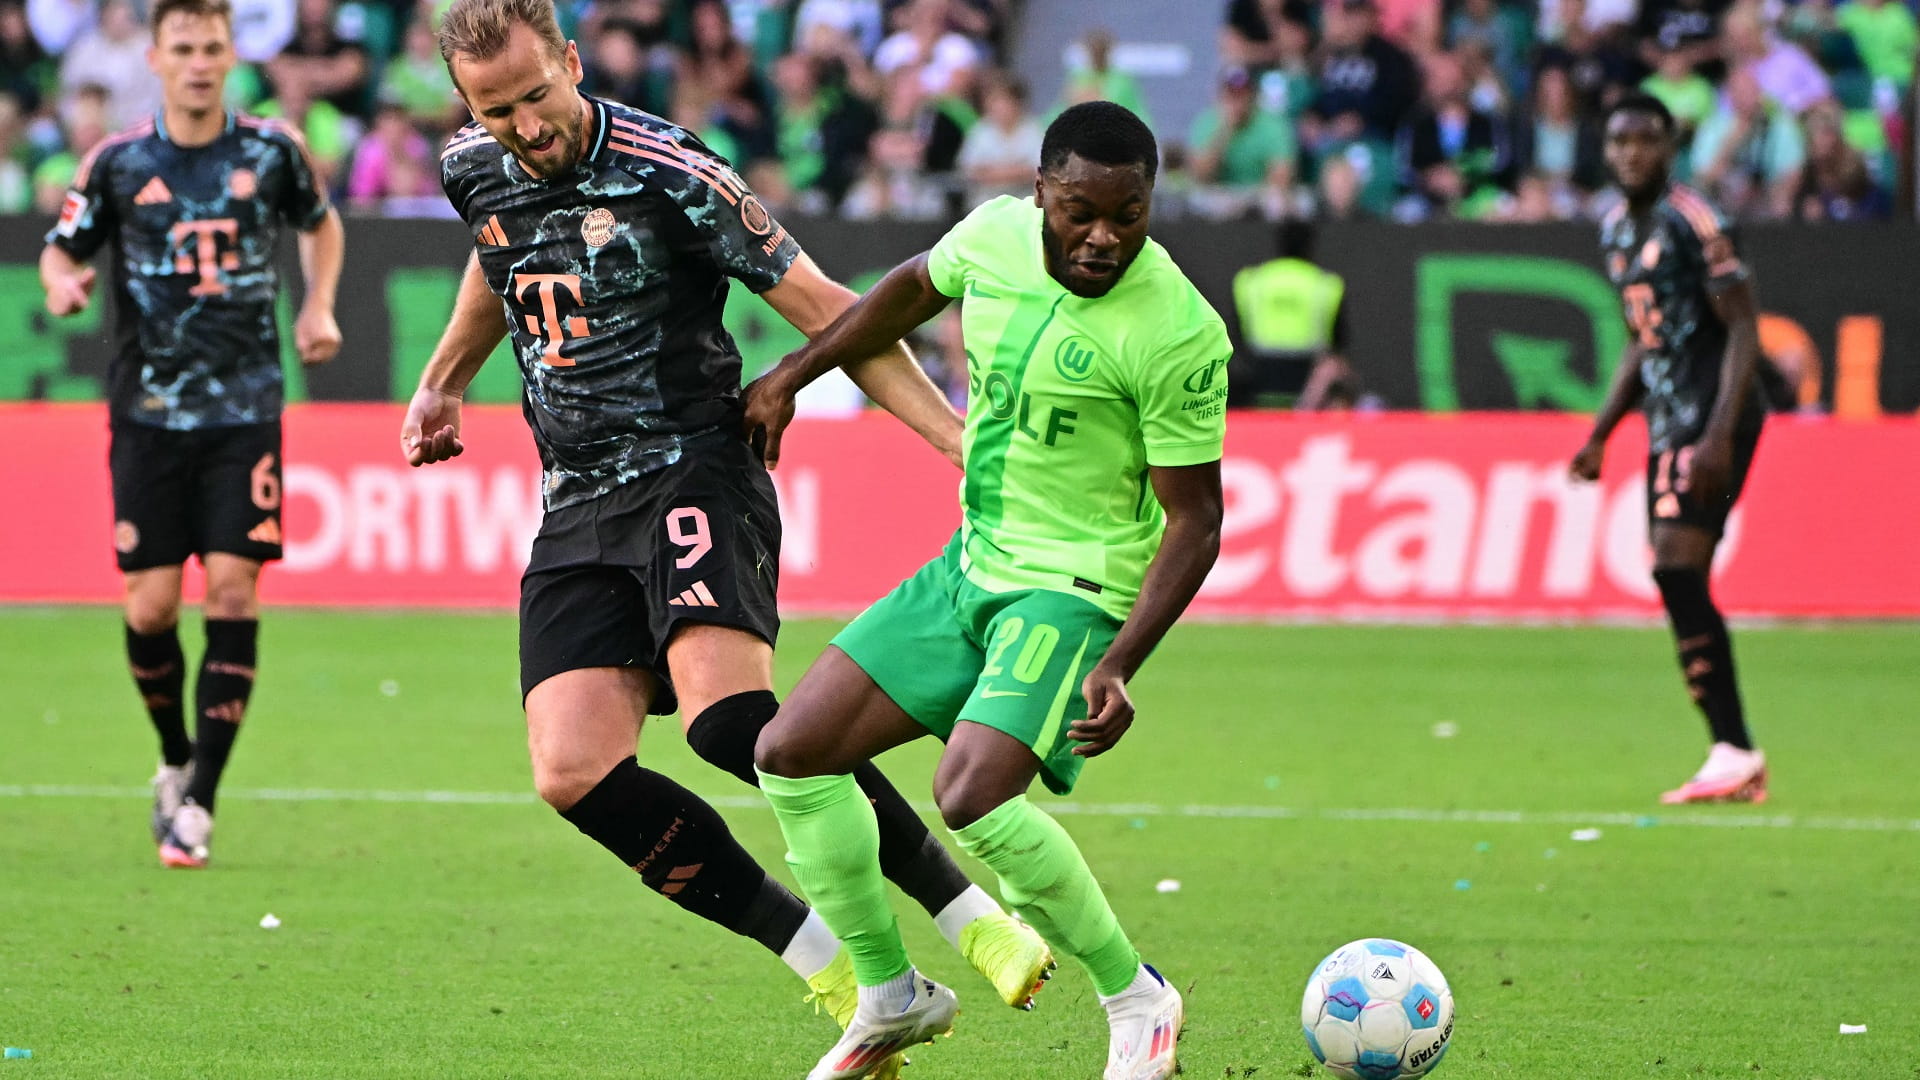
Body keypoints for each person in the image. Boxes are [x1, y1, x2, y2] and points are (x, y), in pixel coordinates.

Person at [402, 0, 1050, 1065]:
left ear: (572, 60)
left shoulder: (674, 170)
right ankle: (845, 977)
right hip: (576, 498)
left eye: (536, 95)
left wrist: (956, 441)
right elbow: (498, 256)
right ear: (465, 107)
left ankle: (971, 920)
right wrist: (442, 383)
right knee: (571, 772)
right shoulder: (473, 166)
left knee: (730, 723)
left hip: (696, 465)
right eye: (496, 109)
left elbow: (830, 308)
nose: (525, 125)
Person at [747, 101, 1228, 1080]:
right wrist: (797, 369)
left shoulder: (1179, 331)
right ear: (1041, 190)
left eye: (1127, 215)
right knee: (790, 754)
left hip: (1074, 588)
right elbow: (907, 292)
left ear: (1150, 203)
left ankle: (1137, 996)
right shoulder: (994, 237)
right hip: (969, 564)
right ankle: (890, 997)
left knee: (968, 794)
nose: (1102, 237)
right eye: (1080, 211)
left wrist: (1124, 659)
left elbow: (1196, 520)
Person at [37, 0, 344, 869]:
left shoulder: (272, 150)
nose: (201, 62)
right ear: (160, 59)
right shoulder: (120, 163)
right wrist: (64, 286)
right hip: (147, 417)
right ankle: (173, 758)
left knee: (237, 591)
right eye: (185, 48)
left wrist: (317, 305)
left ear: (232, 52)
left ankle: (201, 799)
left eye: (214, 46)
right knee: (151, 606)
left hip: (245, 411)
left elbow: (323, 226)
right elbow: (61, 250)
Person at [1571, 93, 1768, 805]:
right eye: (1619, 141)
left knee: (1677, 566)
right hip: (1667, 421)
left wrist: (1720, 430)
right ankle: (1731, 749)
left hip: (1713, 419)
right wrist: (1601, 431)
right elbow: (1641, 338)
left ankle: (1733, 747)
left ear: (1669, 146)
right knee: (1675, 574)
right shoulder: (1616, 228)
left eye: (1644, 140)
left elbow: (1744, 328)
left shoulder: (1698, 220)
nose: (1630, 153)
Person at [1230, 218, 1349, 408]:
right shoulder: (1326, 285)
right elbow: (1339, 343)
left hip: (1259, 380)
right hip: (1309, 386)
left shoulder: (1251, 281)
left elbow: (1236, 337)